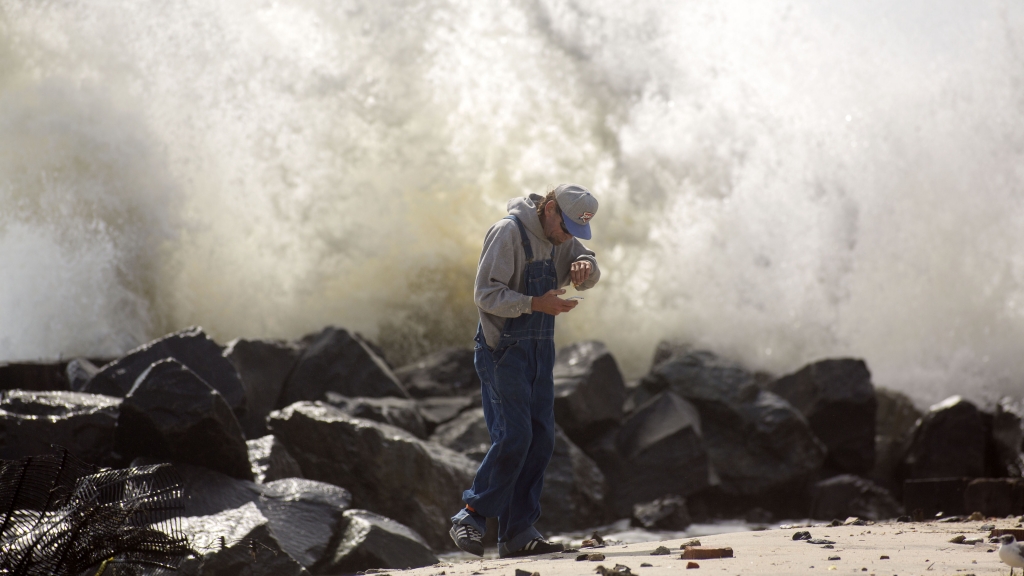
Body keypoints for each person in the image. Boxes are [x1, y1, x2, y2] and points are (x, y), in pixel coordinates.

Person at [449, 183, 601, 558]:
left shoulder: (562, 237)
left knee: (542, 439)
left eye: (574, 232)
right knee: (515, 436)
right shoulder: (508, 233)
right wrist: (534, 303)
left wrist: (587, 267)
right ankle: (469, 516)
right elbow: (484, 294)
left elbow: (588, 264)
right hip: (503, 352)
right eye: (565, 227)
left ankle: (518, 533)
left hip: (539, 352)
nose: (568, 238)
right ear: (549, 208)